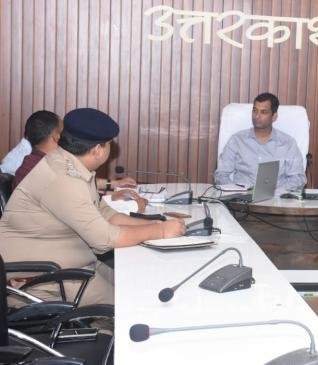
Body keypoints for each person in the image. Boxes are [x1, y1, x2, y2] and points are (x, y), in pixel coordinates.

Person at [0, 108, 186, 305]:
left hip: (73, 265)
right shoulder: (63, 179)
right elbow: (103, 238)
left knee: (138, 286)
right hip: (45, 278)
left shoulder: (68, 163)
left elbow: (105, 213)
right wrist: (161, 231)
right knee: (131, 308)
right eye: (109, 144)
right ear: (98, 150)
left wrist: (157, 224)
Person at [2, 110, 137, 193]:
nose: (70, 136)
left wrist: (114, 185)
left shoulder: (37, 160)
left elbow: (80, 181)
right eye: (65, 132)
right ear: (56, 137)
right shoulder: (45, 168)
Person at [214, 93, 306, 190]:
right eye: (255, 111)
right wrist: (236, 190)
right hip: (240, 196)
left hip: (276, 197)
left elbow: (298, 179)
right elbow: (221, 175)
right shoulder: (236, 140)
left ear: (274, 117)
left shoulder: (288, 143)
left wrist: (276, 192)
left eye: (263, 112)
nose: (257, 116)